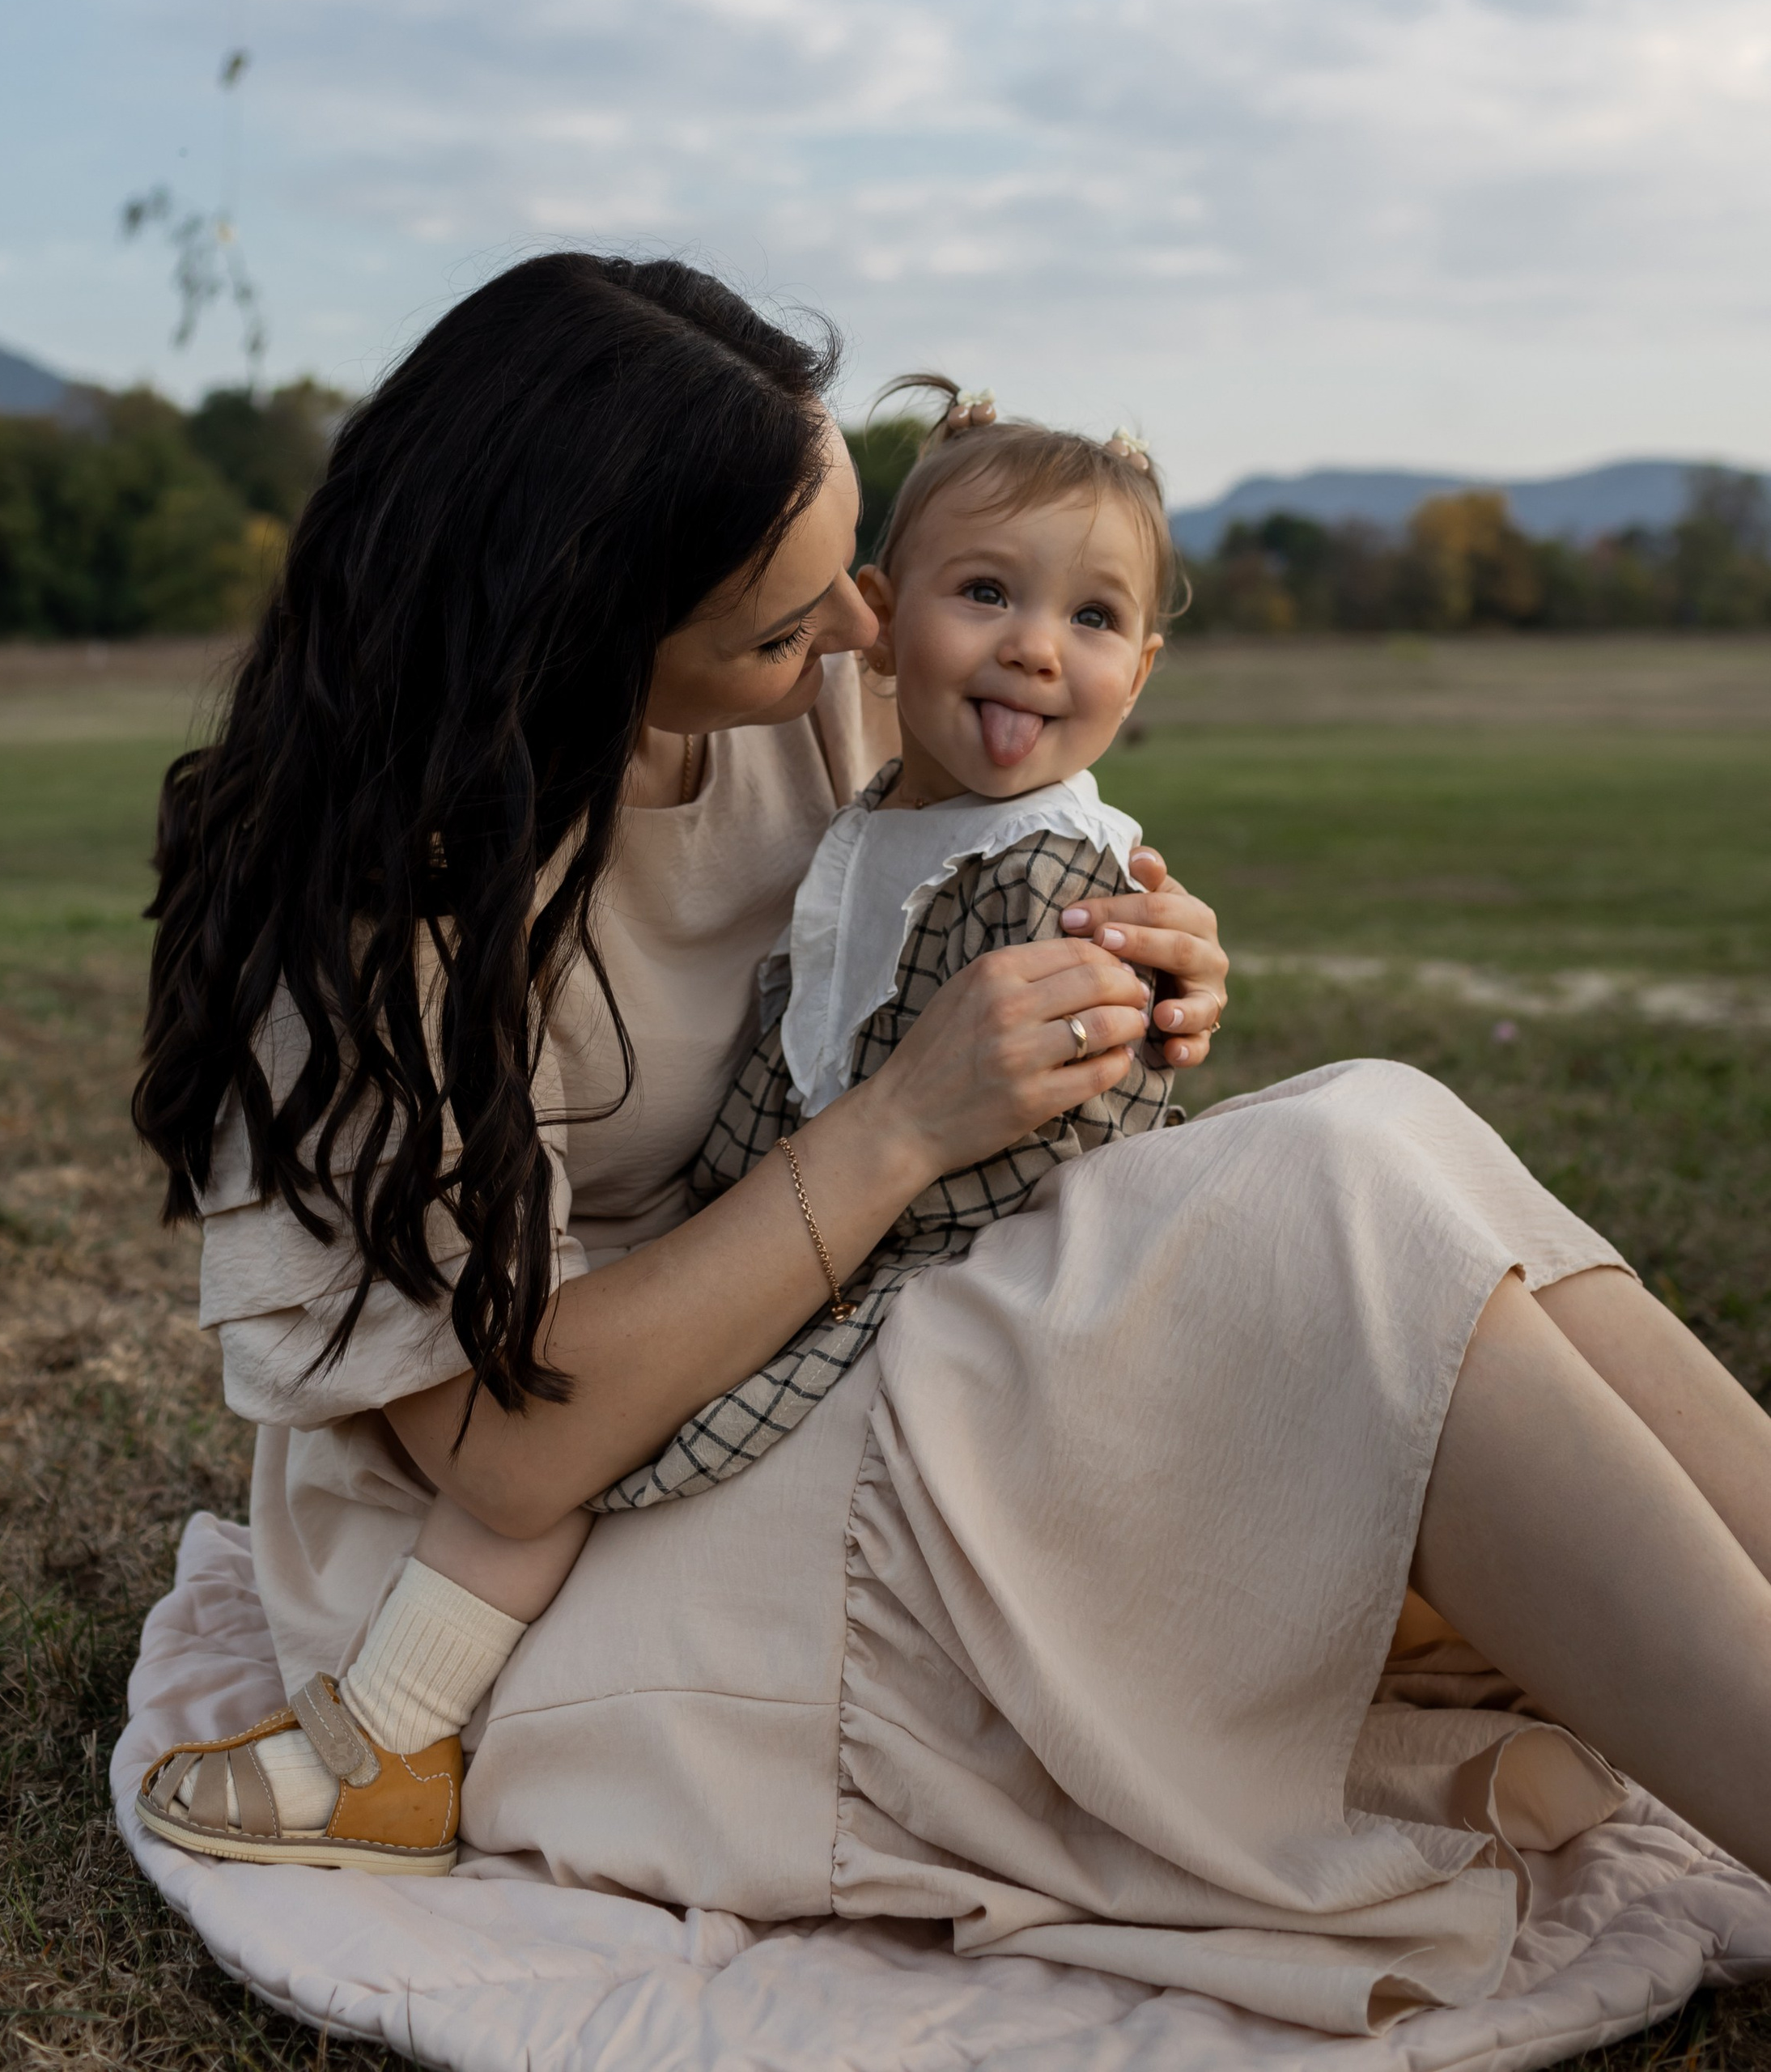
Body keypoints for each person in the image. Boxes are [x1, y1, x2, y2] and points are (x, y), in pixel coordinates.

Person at [131, 255, 1771, 2029]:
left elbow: (970, 876)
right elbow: (497, 1459)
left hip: (850, 1322)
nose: (854, 634)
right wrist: (912, 1121)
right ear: (582, 636)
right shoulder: (363, 923)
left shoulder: (821, 681)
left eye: (849, 568)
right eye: (777, 625)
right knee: (1331, 1210)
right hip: (551, 1549)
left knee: (1387, 1130)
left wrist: (1136, 969)